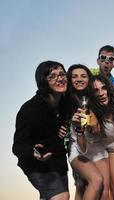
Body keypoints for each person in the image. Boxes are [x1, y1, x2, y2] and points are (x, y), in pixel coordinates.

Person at [12, 60, 69, 200]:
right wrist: (34, 152)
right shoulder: (29, 109)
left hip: (58, 162)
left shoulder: (67, 102)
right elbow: (17, 146)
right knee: (61, 197)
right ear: (43, 81)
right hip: (35, 164)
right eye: (53, 76)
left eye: (62, 74)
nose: (60, 78)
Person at [66, 64, 111, 200]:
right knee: (95, 181)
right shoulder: (65, 101)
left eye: (83, 76)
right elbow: (82, 147)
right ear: (70, 80)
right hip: (79, 150)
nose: (79, 79)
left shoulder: (98, 97)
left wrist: (94, 117)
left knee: (105, 193)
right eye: (74, 76)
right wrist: (78, 128)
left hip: (98, 149)